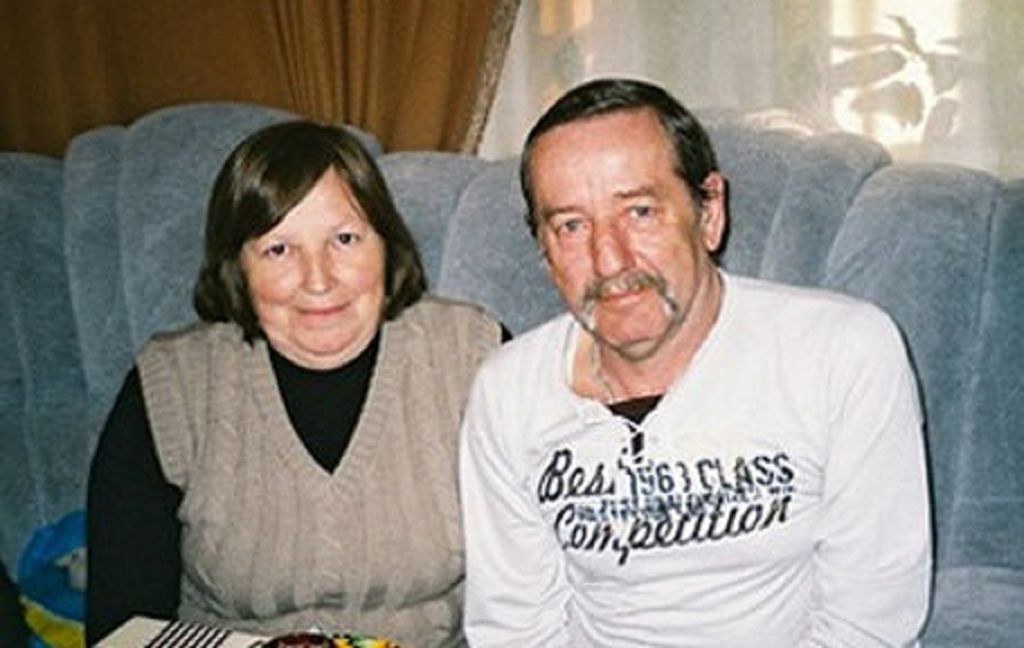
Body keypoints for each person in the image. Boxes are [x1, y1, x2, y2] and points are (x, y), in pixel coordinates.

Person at [459, 78, 932, 646]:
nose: (609, 260)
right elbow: (516, 629)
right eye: (571, 226)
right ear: (544, 252)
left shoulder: (842, 353)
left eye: (639, 212)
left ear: (709, 213)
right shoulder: (508, 392)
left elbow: (869, 624)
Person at [86, 121, 503, 646]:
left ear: (386, 244)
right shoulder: (170, 388)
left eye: (345, 239)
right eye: (279, 249)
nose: (319, 279)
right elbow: (122, 628)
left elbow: (541, 587)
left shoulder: (474, 356)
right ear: (237, 266)